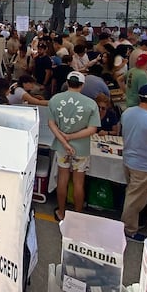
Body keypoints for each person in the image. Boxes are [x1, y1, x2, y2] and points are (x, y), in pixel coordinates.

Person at [47, 71, 100, 221]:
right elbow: (92, 129)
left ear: (67, 82)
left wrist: (65, 141)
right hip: (81, 148)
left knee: (62, 179)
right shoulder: (91, 103)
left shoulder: (55, 99)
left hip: (61, 147)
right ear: (82, 85)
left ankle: (61, 212)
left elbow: (51, 124)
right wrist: (72, 137)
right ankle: (77, 215)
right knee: (78, 182)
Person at [120, 85, 147, 241]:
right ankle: (129, 229)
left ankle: (131, 223)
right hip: (143, 164)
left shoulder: (127, 112)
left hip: (128, 159)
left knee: (132, 195)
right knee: (135, 199)